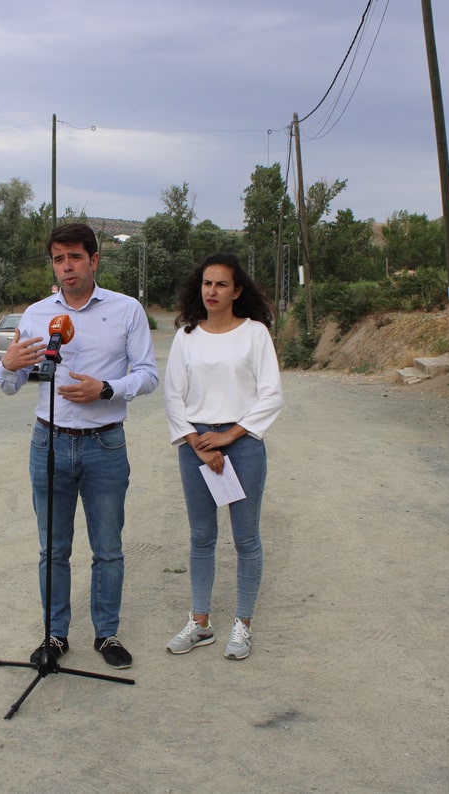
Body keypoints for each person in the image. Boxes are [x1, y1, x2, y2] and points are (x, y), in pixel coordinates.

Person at [0, 222, 159, 669]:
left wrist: (106, 389)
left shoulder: (127, 311)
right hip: (48, 441)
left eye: (75, 258)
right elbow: (11, 384)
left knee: (108, 547)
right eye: (58, 259)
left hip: (104, 445)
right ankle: (55, 635)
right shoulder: (34, 315)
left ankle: (106, 634)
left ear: (94, 261)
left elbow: (148, 374)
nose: (66, 267)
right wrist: (7, 366)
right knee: (54, 548)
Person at [163, 252, 284, 661]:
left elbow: (271, 394)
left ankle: (243, 624)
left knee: (246, 538)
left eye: (220, 284)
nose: (211, 291)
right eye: (206, 283)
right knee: (201, 536)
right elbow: (173, 395)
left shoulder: (255, 334)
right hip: (196, 445)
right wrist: (200, 443)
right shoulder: (187, 336)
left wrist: (228, 437)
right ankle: (200, 623)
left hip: (244, 443)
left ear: (237, 291)